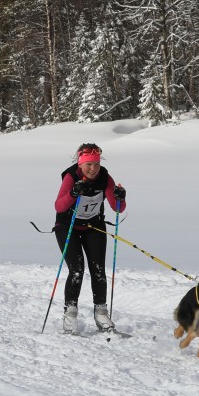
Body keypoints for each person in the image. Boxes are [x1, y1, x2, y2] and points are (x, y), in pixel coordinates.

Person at [53, 142, 127, 334]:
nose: (93, 169)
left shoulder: (105, 178)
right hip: (67, 227)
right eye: (88, 165)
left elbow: (117, 208)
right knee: (76, 270)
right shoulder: (71, 176)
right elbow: (59, 206)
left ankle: (101, 313)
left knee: (98, 270)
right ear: (80, 164)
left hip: (93, 226)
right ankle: (70, 314)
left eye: (96, 164)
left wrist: (120, 197)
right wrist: (74, 192)